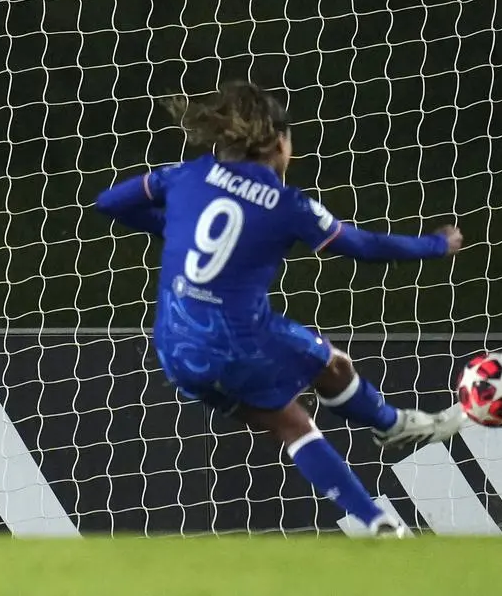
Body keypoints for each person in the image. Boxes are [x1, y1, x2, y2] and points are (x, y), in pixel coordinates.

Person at [94, 81, 464, 537]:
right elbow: (364, 247)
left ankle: (380, 509)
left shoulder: (186, 174)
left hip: (175, 345)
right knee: (317, 384)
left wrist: (172, 228)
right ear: (279, 143)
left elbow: (108, 203)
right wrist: (436, 245)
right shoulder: (289, 205)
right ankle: (389, 434)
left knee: (309, 395)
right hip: (237, 337)